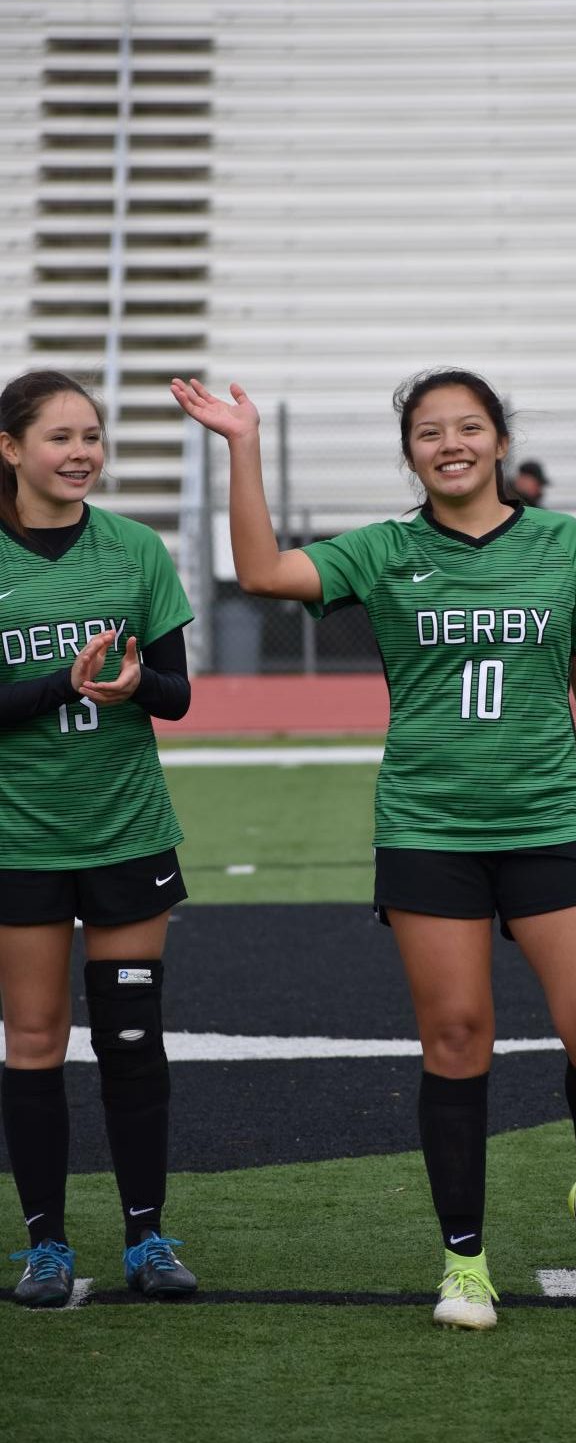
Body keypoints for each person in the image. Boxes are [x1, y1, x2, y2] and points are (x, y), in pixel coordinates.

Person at [171, 367, 576, 1329]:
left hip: (550, 820)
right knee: (456, 1038)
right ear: (410, 453)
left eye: (468, 427)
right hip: (429, 826)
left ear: (500, 441)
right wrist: (242, 444)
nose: (450, 443)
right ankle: (463, 1258)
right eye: (429, 432)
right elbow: (264, 572)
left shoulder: (559, 543)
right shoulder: (386, 550)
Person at [0, 370, 197, 1308]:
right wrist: (65, 686)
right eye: (58, 437)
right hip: (18, 841)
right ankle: (45, 1246)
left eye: (93, 435)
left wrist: (131, 688)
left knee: (130, 1038)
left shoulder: (133, 548)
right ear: (10, 448)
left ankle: (149, 1238)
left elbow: (178, 691)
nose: (80, 452)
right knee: (35, 1040)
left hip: (126, 832)